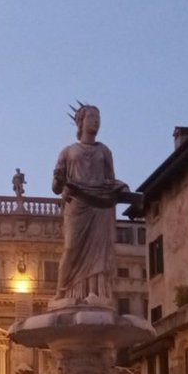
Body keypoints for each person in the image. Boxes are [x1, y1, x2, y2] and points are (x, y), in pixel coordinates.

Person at [52, 104, 135, 305]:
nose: (96, 121)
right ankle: (62, 292)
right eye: (91, 116)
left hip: (100, 208)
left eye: (98, 117)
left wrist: (120, 187)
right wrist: (59, 178)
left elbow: (109, 180)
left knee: (100, 252)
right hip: (77, 206)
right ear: (81, 122)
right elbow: (56, 187)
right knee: (71, 248)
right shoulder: (68, 151)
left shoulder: (104, 151)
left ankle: (96, 293)